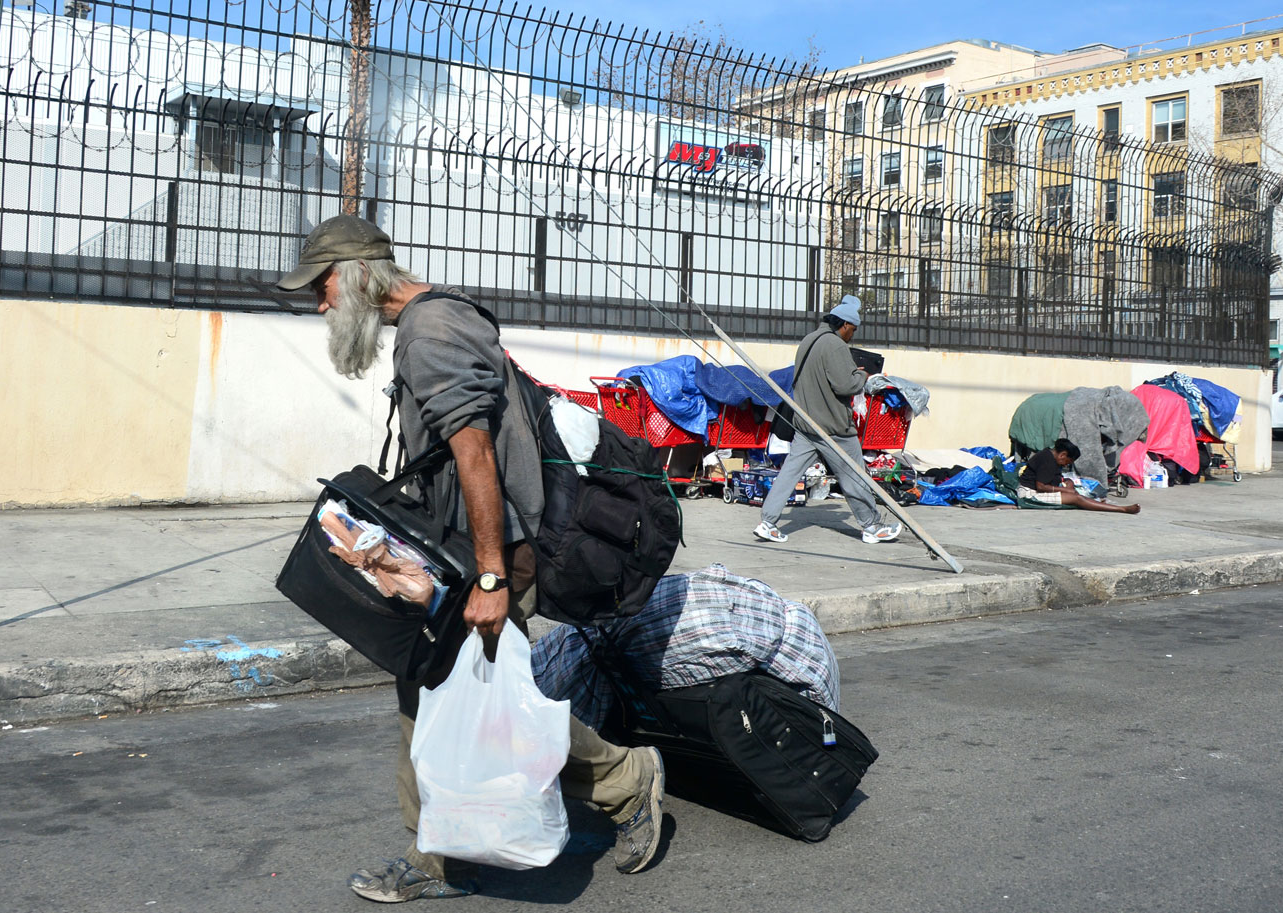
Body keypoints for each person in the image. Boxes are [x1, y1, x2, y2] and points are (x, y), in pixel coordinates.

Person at [278, 215, 666, 902]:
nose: (321, 303)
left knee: (482, 706)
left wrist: (488, 576)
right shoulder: (434, 321)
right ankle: (447, 850)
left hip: (487, 558)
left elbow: (475, 454)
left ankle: (621, 781)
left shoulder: (431, 334)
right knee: (451, 699)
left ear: (359, 275)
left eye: (324, 285)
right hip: (463, 555)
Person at [753, 295, 901, 545]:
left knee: (789, 473)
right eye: (852, 330)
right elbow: (845, 385)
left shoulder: (808, 340)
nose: (852, 335)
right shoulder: (835, 345)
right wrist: (862, 376)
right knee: (855, 475)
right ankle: (871, 526)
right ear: (844, 324)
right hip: (833, 427)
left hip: (805, 423)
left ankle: (767, 522)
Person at [1019, 438, 1141, 514]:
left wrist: (1067, 482)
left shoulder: (1050, 457)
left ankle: (1102, 504)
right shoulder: (1047, 460)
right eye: (1067, 462)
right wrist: (1066, 490)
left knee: (1075, 494)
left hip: (1039, 490)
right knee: (1076, 498)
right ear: (1062, 455)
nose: (1066, 465)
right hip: (1030, 494)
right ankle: (1122, 509)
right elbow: (1041, 486)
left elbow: (1053, 477)